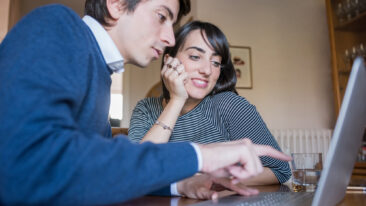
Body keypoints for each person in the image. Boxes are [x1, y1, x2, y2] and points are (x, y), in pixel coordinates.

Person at [0, 0, 291, 205]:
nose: (168, 37)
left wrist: (181, 184)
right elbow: (23, 167)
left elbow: (99, 170)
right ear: (116, 3)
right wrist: (200, 156)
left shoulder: (100, 74)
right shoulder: (56, 25)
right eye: (162, 16)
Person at [128, 21, 291, 196]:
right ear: (169, 61)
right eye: (195, 57)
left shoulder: (229, 105)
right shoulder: (145, 109)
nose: (207, 70)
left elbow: (279, 170)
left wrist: (216, 181)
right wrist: (177, 100)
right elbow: (134, 173)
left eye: (215, 62)